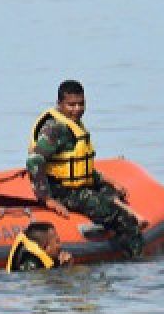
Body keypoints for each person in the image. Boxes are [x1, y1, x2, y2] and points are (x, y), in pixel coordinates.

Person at [27, 80, 144, 258]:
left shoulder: (75, 125)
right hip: (63, 191)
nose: (77, 109)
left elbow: (77, 167)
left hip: (77, 186)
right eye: (71, 105)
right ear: (60, 104)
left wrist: (107, 180)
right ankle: (136, 260)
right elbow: (34, 161)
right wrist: (47, 199)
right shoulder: (55, 128)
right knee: (125, 220)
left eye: (81, 104)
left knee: (112, 191)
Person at [6, 221, 72, 271]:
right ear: (46, 247)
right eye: (57, 242)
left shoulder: (43, 261)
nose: (61, 245)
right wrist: (65, 268)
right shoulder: (31, 264)